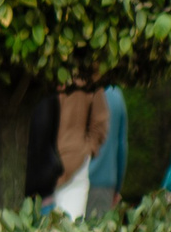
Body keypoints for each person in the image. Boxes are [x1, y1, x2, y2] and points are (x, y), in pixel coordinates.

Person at [51, 86, 108, 218]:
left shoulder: (89, 79)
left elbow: (100, 122)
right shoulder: (89, 78)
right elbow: (100, 121)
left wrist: (87, 149)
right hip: (70, 160)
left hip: (73, 165)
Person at [89, 86, 127, 219]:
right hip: (104, 182)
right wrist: (117, 188)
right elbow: (121, 146)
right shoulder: (116, 95)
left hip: (73, 178)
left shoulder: (76, 90)